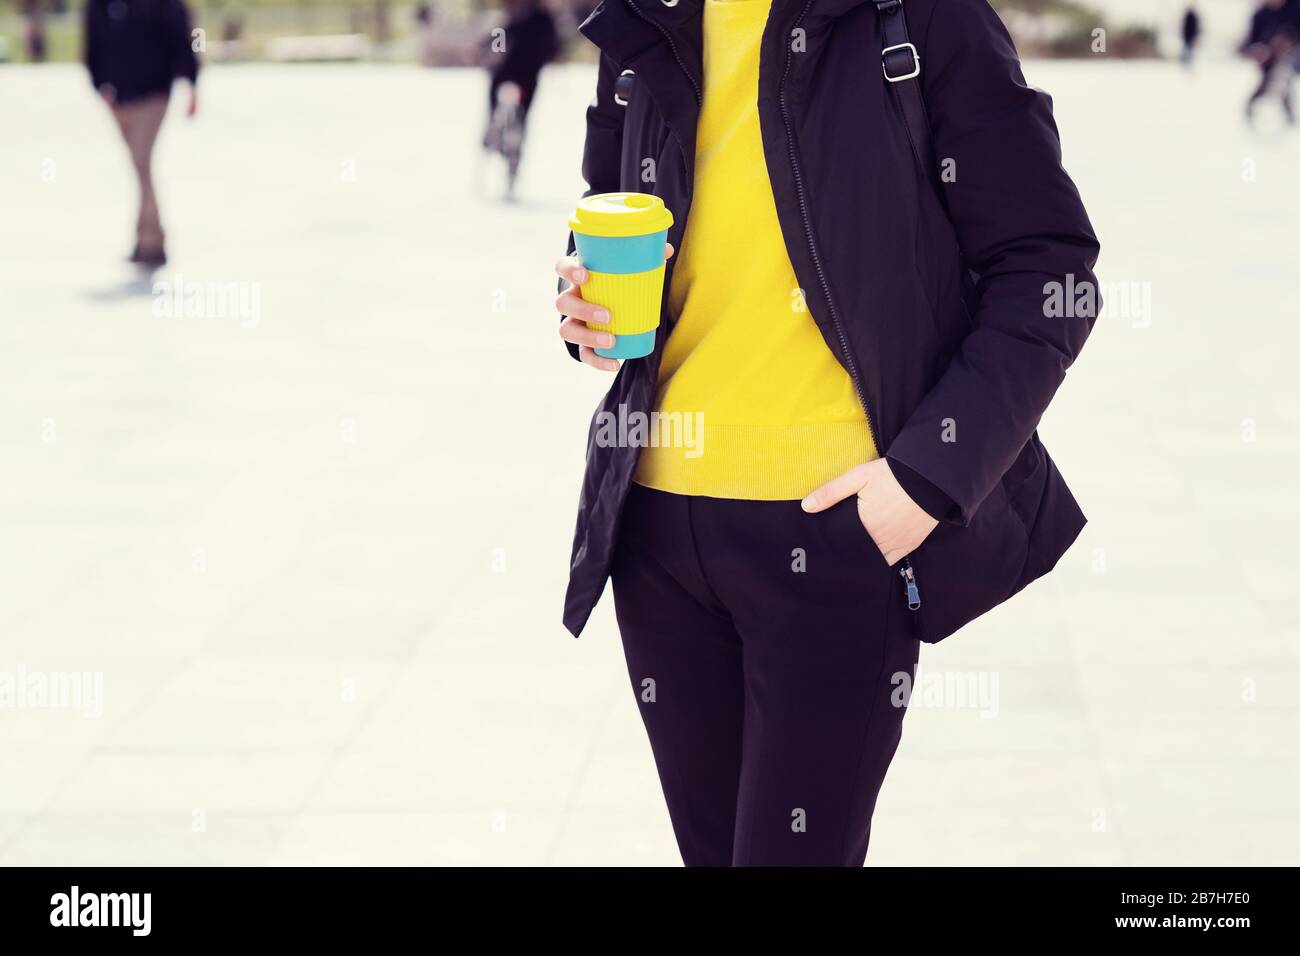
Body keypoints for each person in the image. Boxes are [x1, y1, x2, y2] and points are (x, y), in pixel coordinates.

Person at [553, 0, 1099, 867]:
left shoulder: (922, 16)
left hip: (836, 525)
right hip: (655, 526)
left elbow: (1048, 266)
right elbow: (613, 209)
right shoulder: (646, 17)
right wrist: (587, 309)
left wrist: (927, 480)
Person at [84, 0, 199, 268]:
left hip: (154, 94)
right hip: (117, 97)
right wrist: (99, 85)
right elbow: (92, 43)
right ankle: (148, 236)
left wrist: (192, 84)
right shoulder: (100, 4)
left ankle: (151, 243)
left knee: (141, 160)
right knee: (139, 167)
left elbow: (184, 35)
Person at [481, 0, 558, 196]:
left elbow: (501, 32)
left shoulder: (524, 13)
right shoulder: (544, 18)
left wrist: (482, 47)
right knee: (522, 117)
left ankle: (492, 129)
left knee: (496, 93)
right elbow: (553, 49)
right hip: (527, 75)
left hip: (510, 71)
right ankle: (500, 130)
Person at [1244, 0, 1297, 125]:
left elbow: (1295, 30)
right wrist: (1258, 48)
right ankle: (1251, 107)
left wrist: (1290, 43)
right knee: (1268, 82)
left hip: (1287, 56)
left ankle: (1288, 113)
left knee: (1283, 80)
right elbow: (1251, 40)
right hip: (1267, 59)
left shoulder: (1292, 10)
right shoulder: (1260, 15)